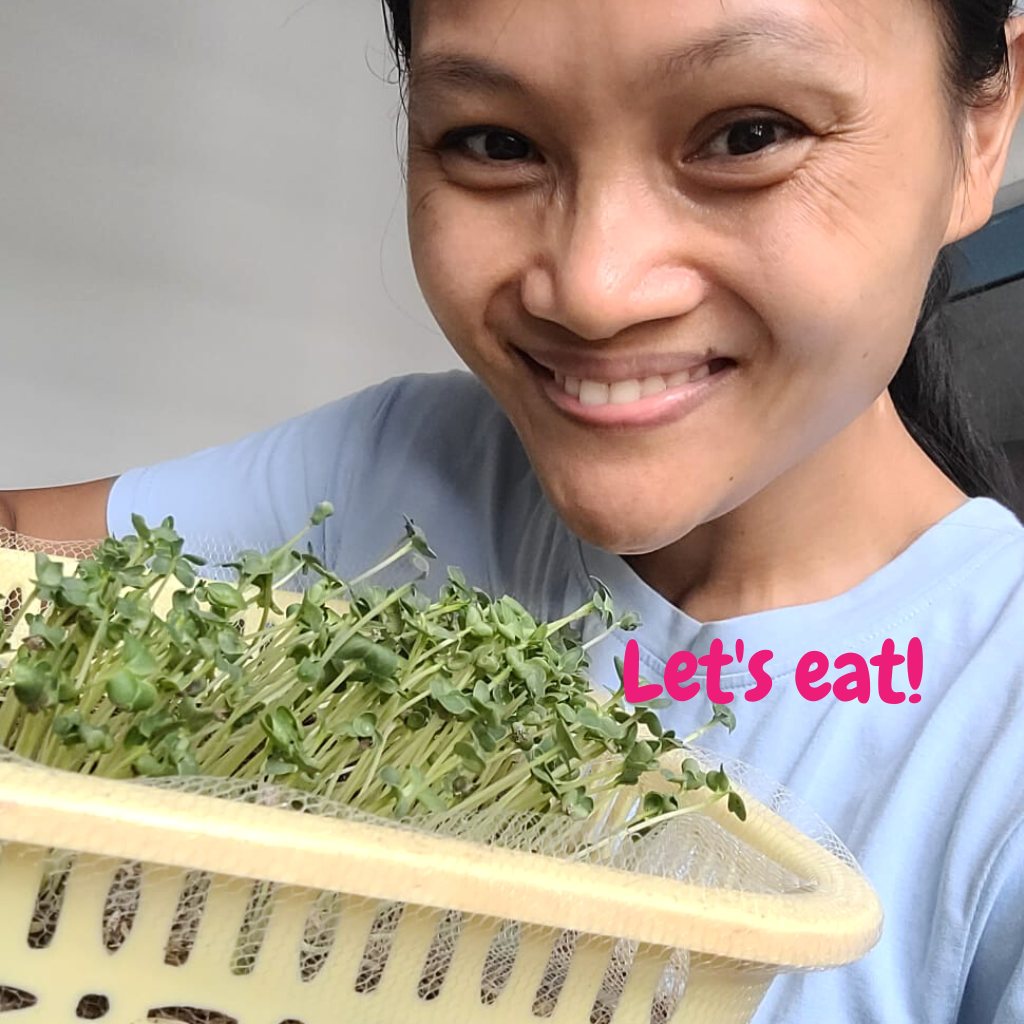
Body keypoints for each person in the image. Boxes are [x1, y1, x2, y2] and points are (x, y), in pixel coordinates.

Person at [3, 0, 1024, 1019]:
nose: (592, 287)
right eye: (494, 143)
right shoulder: (395, 465)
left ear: (981, 125)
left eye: (748, 135)